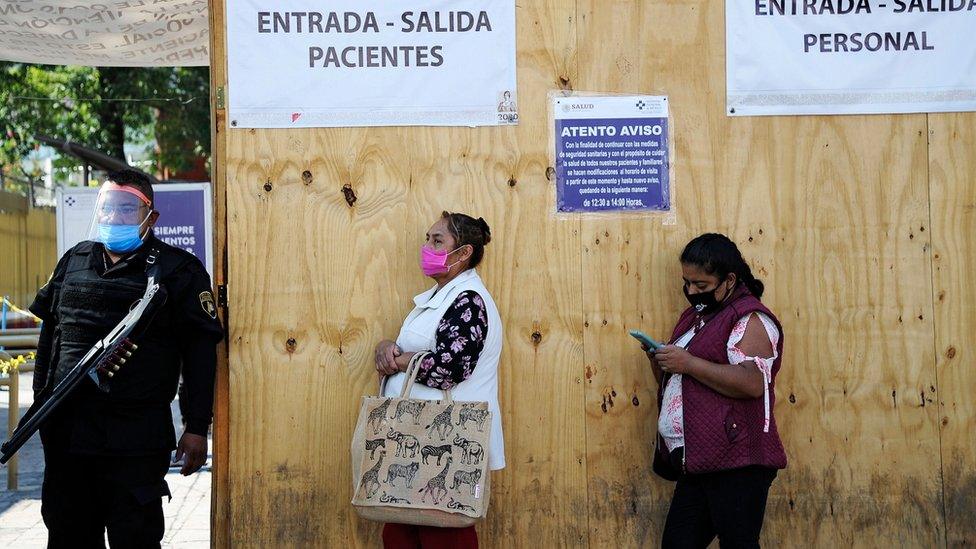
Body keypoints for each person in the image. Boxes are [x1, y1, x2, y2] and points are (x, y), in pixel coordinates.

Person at [29, 169, 223, 548]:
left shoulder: (178, 271)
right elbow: (50, 340)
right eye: (108, 208)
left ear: (150, 218)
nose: (114, 217)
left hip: (135, 440)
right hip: (69, 438)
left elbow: (200, 356)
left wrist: (197, 426)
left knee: (135, 538)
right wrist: (41, 408)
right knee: (67, 535)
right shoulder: (74, 261)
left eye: (126, 209)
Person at [646, 233, 787, 549]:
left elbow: (752, 383)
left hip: (738, 462)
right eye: (688, 283)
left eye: (702, 286)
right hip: (699, 460)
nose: (692, 292)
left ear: (729, 280)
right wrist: (662, 360)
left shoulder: (750, 318)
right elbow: (683, 381)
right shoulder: (694, 317)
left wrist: (688, 363)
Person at [373, 211, 504, 549]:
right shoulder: (442, 298)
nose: (426, 247)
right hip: (413, 440)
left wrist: (400, 360)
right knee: (404, 533)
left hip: (447, 440)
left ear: (463, 254)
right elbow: (424, 348)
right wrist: (390, 349)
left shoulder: (468, 301)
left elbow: (452, 367)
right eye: (427, 239)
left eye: (437, 240)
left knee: (444, 534)